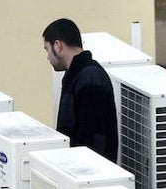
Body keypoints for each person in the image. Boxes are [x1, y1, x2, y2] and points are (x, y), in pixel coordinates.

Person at [43, 18, 119, 162]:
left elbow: (95, 138)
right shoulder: (78, 75)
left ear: (57, 45)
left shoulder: (90, 77)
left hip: (89, 174)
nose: (47, 57)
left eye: (47, 49)